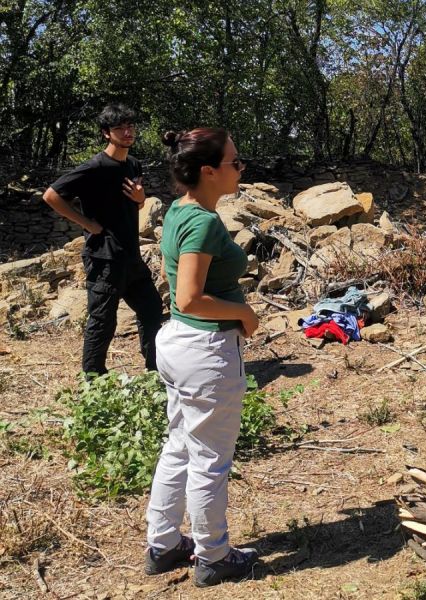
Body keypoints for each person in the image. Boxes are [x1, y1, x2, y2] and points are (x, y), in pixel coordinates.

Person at [144, 127, 260, 587]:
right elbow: (190, 297)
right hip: (205, 347)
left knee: (179, 445)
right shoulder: (204, 223)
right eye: (235, 162)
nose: (241, 167)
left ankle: (164, 544)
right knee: (210, 457)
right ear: (209, 171)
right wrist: (243, 313)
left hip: (179, 342)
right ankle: (213, 556)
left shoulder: (180, 208)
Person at [42, 103, 163, 375]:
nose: (128, 131)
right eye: (120, 127)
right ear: (106, 133)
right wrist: (86, 224)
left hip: (131, 255)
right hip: (104, 256)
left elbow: (137, 205)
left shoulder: (133, 164)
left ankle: (155, 369)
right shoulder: (94, 167)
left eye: (131, 125)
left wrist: (141, 199)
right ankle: (94, 380)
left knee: (152, 309)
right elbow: (50, 195)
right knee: (103, 321)